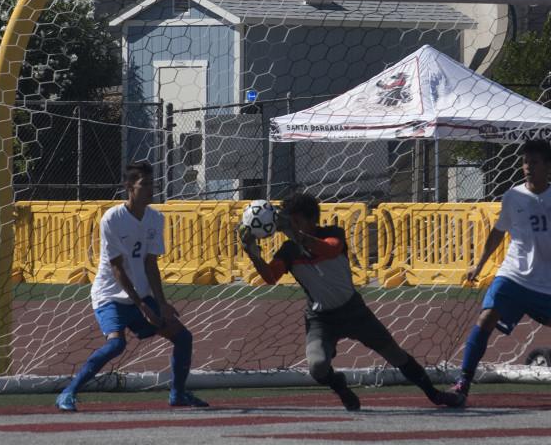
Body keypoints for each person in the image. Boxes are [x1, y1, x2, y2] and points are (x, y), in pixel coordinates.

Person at [240, 193, 464, 411]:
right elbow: (270, 277)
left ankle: (435, 395)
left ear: (310, 220)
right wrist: (252, 253)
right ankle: (340, 387)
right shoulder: (288, 251)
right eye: (287, 220)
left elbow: (331, 248)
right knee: (317, 367)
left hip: (354, 311)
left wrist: (299, 236)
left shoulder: (332, 233)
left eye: (294, 220)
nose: (287, 224)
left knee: (395, 354)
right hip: (321, 319)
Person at [56, 160, 208, 411]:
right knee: (116, 344)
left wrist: (160, 303)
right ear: (129, 186)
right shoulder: (112, 218)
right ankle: (68, 393)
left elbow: (151, 264)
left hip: (141, 296)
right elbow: (117, 269)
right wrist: (142, 306)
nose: (150, 189)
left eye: (152, 184)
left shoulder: (155, 218)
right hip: (110, 294)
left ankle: (178, 394)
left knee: (183, 337)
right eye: (144, 184)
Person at [453, 139, 551, 402]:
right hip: (513, 275)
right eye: (525, 162)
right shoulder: (512, 196)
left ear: (547, 166)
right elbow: (497, 233)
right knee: (485, 318)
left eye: (534, 162)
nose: (528, 167)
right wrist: (480, 264)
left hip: (549, 282)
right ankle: (463, 380)